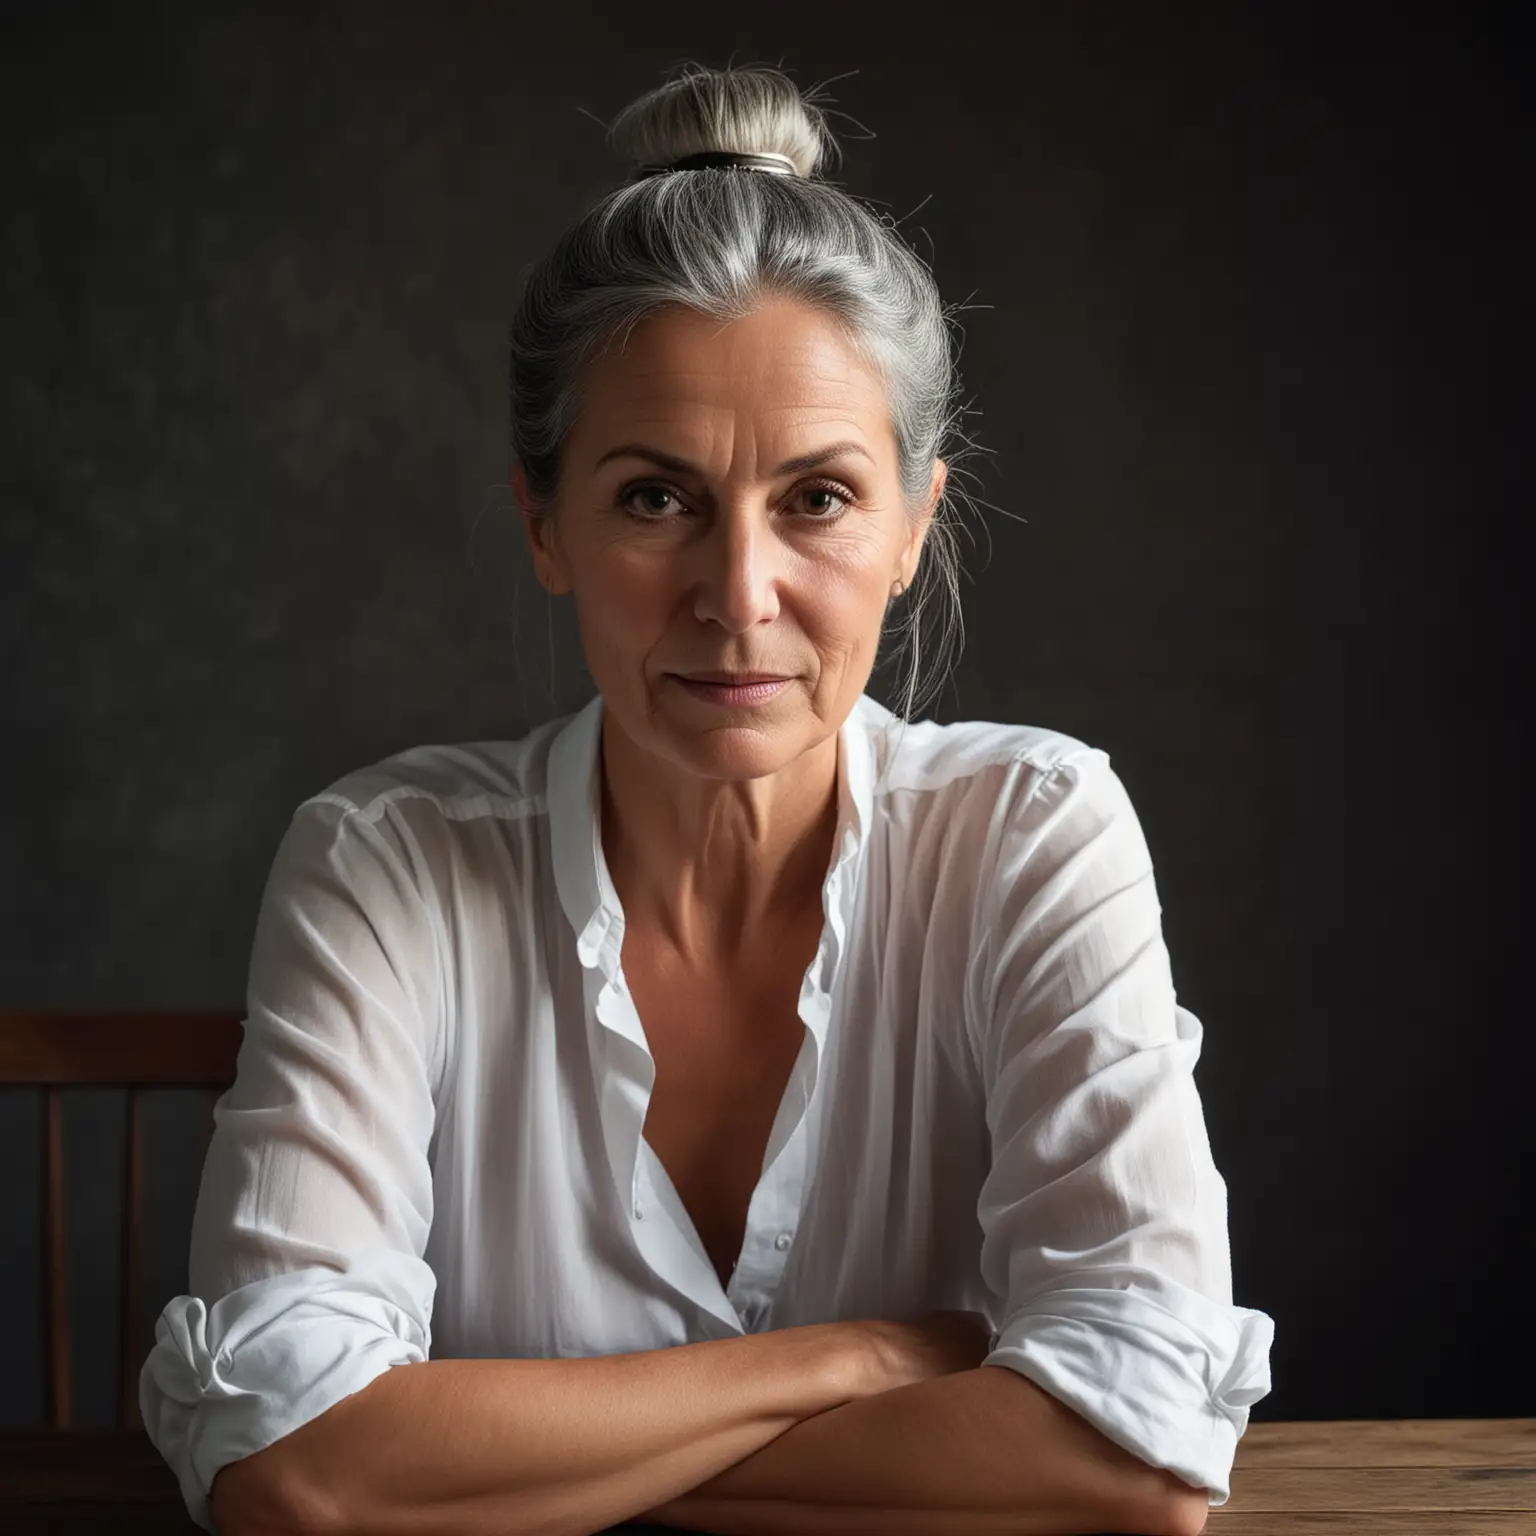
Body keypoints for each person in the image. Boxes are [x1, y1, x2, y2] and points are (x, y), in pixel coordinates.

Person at [141, 61, 1273, 1536]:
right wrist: (860, 1363)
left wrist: (517, 1471)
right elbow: (293, 1466)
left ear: (916, 524)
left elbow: (1134, 1459)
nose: (738, 600)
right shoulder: (385, 864)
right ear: (543, 522)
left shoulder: (1033, 834)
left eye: (816, 498)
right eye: (654, 498)